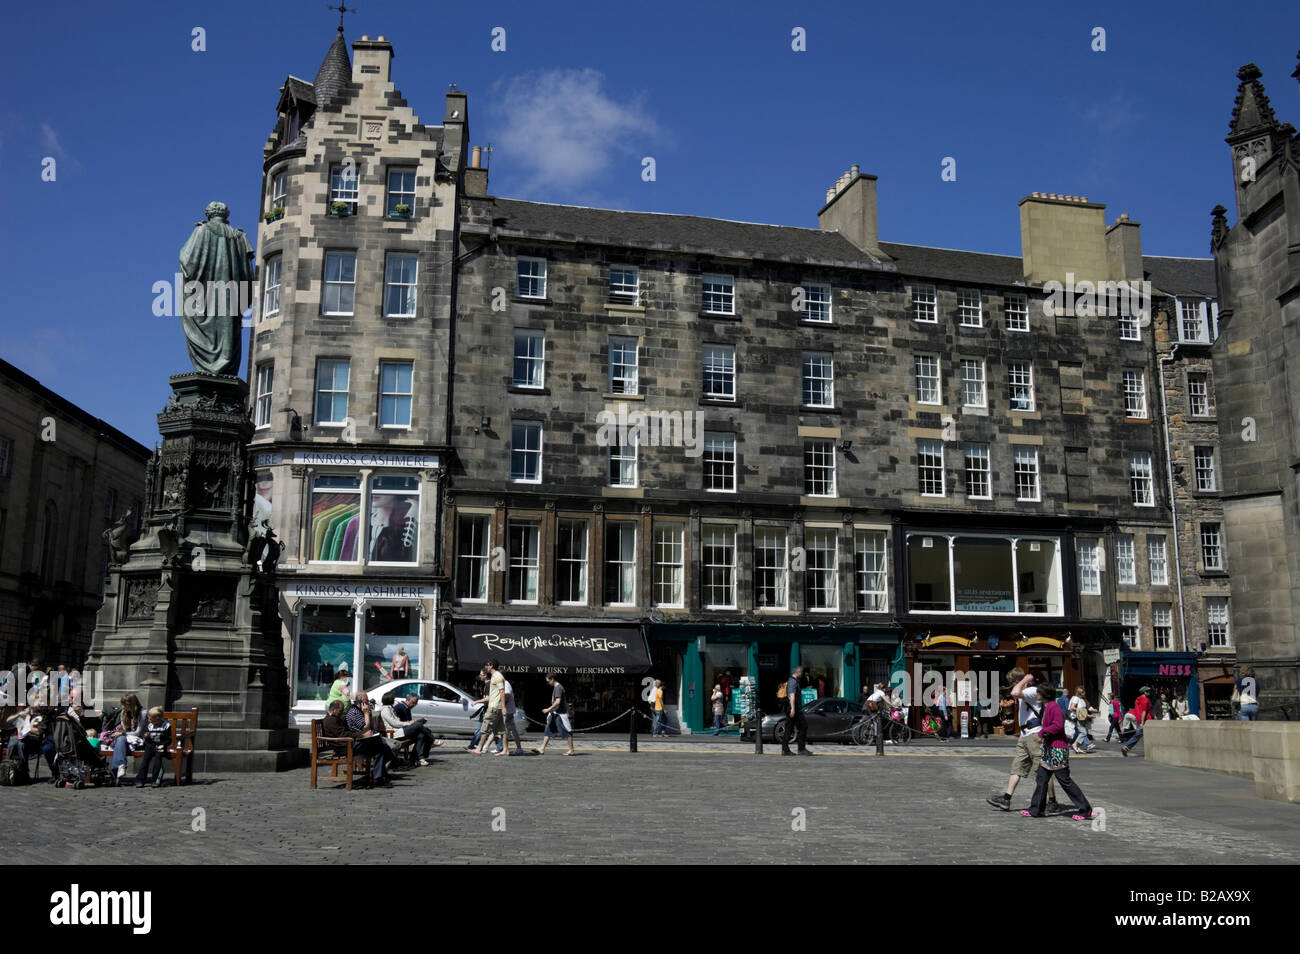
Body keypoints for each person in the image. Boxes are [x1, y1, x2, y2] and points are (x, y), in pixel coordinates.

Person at [1020, 686, 1096, 820]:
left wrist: (1042, 733)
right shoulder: (1048, 706)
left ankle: (1085, 810)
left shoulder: (1053, 707)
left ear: (1044, 694)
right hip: (1049, 749)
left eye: (1038, 692)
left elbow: (1058, 725)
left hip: (1057, 749)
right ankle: (1036, 809)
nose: (1036, 694)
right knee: (1041, 779)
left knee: (1065, 780)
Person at [987, 668, 1058, 812]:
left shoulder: (1032, 691)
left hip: (1035, 735)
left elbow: (1015, 692)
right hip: (1025, 735)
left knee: (1043, 769)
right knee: (1017, 768)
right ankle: (1006, 799)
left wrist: (1026, 679)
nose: (1012, 685)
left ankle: (1052, 801)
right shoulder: (1025, 693)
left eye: (1013, 682)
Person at [344, 692, 394, 786]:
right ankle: (383, 772)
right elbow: (365, 728)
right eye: (367, 701)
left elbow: (371, 728)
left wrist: (368, 713)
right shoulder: (354, 712)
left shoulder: (360, 711)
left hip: (363, 741)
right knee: (381, 745)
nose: (369, 703)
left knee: (380, 749)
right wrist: (366, 713)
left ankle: (378, 777)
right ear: (361, 702)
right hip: (355, 743)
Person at [100, 692, 147, 781]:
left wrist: (123, 733)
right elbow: (124, 730)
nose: (124, 707)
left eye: (126, 705)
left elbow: (137, 732)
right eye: (123, 705)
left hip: (138, 741)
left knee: (120, 739)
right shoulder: (123, 713)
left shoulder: (142, 713)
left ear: (132, 704)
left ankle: (115, 772)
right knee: (120, 739)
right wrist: (122, 734)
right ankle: (120, 766)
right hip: (125, 741)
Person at [379, 692, 433, 766]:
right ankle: (432, 740)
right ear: (390, 700)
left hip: (399, 730)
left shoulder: (390, 708)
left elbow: (397, 721)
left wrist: (410, 723)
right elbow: (394, 723)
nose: (394, 701)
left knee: (420, 735)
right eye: (393, 699)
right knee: (418, 725)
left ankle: (414, 759)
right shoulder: (385, 710)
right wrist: (408, 723)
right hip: (394, 733)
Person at [4, 706, 56, 777]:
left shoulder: (42, 715)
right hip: (23, 738)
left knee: (20, 743)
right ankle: (8, 768)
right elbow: (8, 720)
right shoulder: (25, 713)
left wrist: (26, 725)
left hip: (35, 741)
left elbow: (38, 732)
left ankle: (24, 772)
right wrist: (18, 715)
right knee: (13, 741)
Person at [475, 659, 508, 756]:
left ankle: (479, 748)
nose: (486, 667)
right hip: (496, 706)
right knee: (501, 730)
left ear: (491, 665)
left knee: (485, 728)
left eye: (487, 665)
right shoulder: (495, 676)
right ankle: (505, 750)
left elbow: (502, 692)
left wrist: (503, 707)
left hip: (494, 706)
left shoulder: (497, 676)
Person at [133, 706, 172, 788]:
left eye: (150, 718)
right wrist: (146, 736)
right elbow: (144, 735)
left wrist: (163, 745)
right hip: (150, 746)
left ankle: (156, 780)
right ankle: (140, 780)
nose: (148, 720)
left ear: (157, 718)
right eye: (148, 718)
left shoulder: (166, 726)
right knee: (145, 761)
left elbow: (169, 739)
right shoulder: (149, 725)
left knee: (158, 761)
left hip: (160, 746)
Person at [537, 673, 576, 755]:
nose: (548, 683)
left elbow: (558, 702)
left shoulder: (558, 688)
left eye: (548, 681)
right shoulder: (557, 687)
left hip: (559, 714)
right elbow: (564, 702)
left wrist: (548, 709)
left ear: (552, 679)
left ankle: (571, 750)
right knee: (548, 729)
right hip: (554, 713)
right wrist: (569, 711)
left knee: (566, 730)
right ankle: (542, 748)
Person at [781, 666, 811, 756]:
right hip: (793, 708)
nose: (802, 674)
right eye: (801, 672)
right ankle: (795, 749)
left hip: (795, 708)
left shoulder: (794, 681)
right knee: (800, 727)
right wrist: (793, 709)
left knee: (797, 728)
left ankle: (798, 749)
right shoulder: (793, 682)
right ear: (797, 673)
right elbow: (792, 696)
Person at [1120, 686, 1154, 756]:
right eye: (1148, 691)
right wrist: (1142, 722)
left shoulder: (1137, 699)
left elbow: (1139, 710)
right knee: (1141, 734)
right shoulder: (1145, 700)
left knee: (1138, 735)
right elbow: (1144, 711)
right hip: (1146, 720)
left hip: (1138, 719)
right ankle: (1126, 747)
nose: (1149, 693)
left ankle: (1126, 747)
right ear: (1144, 692)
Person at [1069, 688, 1097, 753]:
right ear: (1080, 693)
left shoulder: (1081, 699)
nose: (1085, 693)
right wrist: (1080, 711)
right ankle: (1075, 744)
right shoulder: (1076, 698)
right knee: (1083, 732)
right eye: (1083, 692)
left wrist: (1089, 716)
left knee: (1081, 732)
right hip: (1076, 718)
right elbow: (1072, 707)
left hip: (1081, 717)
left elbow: (1083, 711)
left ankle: (1077, 747)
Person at [502, 674, 525, 754]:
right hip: (508, 710)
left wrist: (502, 705)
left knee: (504, 730)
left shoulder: (505, 684)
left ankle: (505, 749)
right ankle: (517, 748)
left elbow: (507, 695)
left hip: (507, 711)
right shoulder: (504, 683)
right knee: (510, 730)